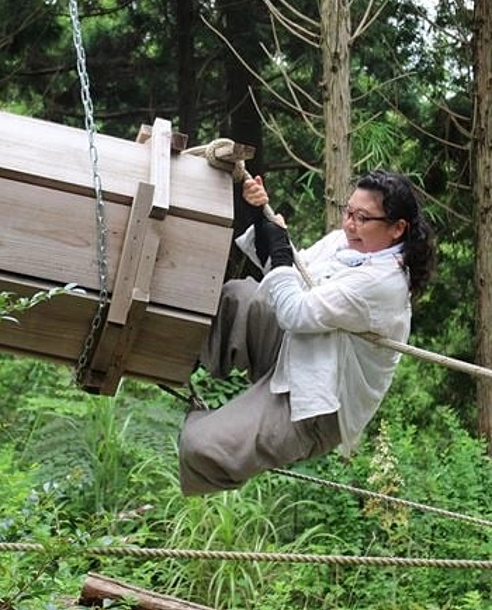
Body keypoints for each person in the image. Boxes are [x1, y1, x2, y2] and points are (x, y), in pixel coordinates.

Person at [177, 169, 437, 496]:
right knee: (237, 298)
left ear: (397, 229)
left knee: (200, 446)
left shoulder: (384, 283)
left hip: (317, 402)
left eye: (363, 218)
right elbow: (292, 277)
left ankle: (206, 425)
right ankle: (174, 359)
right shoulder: (345, 242)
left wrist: (282, 252)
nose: (349, 224)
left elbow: (296, 310)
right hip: (300, 349)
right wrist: (261, 221)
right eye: (348, 212)